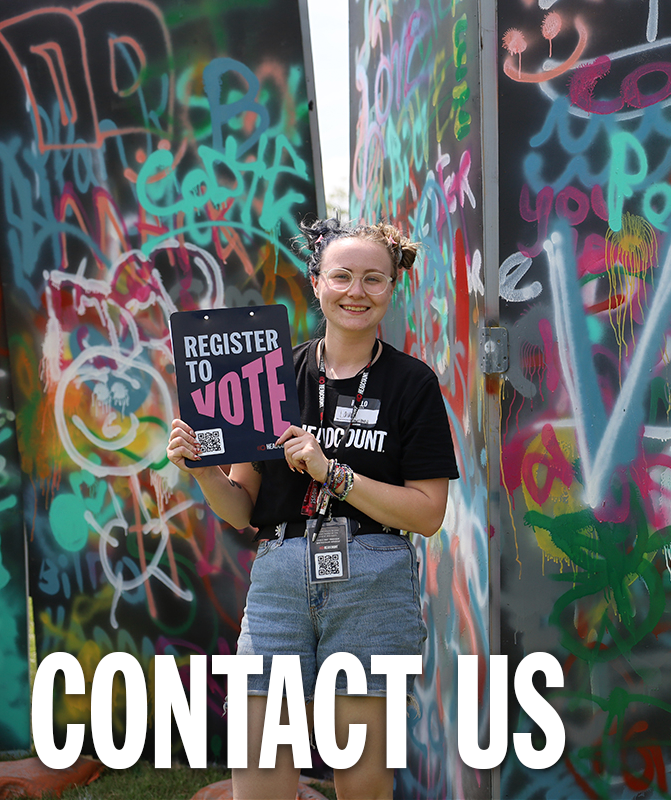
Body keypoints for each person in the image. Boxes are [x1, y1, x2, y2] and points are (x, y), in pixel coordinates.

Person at [166, 218, 458, 799]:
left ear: (393, 285)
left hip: (374, 579)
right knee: (260, 777)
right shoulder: (269, 376)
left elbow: (427, 513)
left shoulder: (412, 383)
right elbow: (241, 510)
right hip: (278, 575)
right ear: (316, 280)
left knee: (364, 781)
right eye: (342, 275)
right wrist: (200, 469)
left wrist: (333, 473)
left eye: (374, 278)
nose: (357, 291)